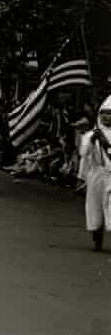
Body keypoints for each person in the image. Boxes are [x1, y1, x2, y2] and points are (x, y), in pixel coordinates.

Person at [78, 95, 111, 252]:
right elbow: (84, 153)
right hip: (97, 173)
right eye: (104, 113)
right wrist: (92, 140)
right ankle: (97, 238)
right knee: (95, 206)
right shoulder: (91, 134)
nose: (107, 117)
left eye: (110, 114)